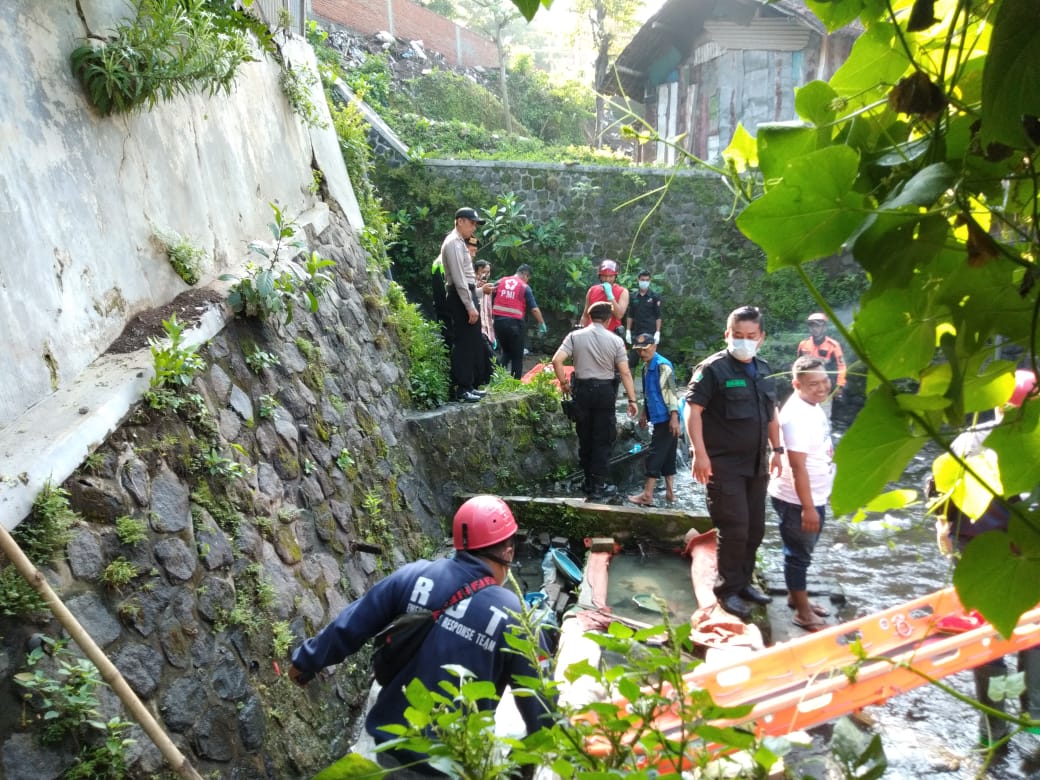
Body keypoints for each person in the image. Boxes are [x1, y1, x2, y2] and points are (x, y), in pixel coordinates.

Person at [289, 495, 551, 777]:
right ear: (508, 551)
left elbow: (352, 623)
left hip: (388, 746)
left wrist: (306, 661)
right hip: (455, 763)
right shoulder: (516, 617)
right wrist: (520, 770)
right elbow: (542, 714)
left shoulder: (413, 576)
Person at [929, 369, 1040, 746]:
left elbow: (937, 490)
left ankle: (995, 724)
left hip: (977, 555)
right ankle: (1033, 712)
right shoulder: (1033, 444)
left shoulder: (968, 439)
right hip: (1025, 557)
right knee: (1032, 635)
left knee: (986, 640)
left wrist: (945, 529)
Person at [685, 305, 782, 621]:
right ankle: (726, 590)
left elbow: (771, 415)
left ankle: (744, 583)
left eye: (750, 336)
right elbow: (693, 411)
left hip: (757, 463)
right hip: (723, 464)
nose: (744, 341)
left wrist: (778, 449)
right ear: (727, 335)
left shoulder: (765, 370)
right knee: (734, 527)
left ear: (761, 337)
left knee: (755, 529)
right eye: (737, 336)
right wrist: (699, 453)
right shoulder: (713, 369)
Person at [767, 356, 835, 632]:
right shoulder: (796, 415)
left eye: (825, 381)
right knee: (798, 555)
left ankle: (798, 598)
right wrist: (807, 507)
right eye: (813, 384)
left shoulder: (813, 406)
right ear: (796, 384)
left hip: (813, 495)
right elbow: (796, 466)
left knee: (801, 552)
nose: (822, 388)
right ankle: (802, 612)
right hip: (798, 500)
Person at [552, 301, 638, 499]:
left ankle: (587, 482)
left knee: (585, 436)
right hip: (605, 392)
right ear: (608, 320)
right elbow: (624, 372)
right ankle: (598, 485)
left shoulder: (574, 336)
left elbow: (557, 360)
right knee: (602, 438)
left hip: (581, 391)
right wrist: (632, 400)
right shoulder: (616, 341)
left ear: (590, 317)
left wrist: (564, 383)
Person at [627, 333, 681, 506]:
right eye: (639, 350)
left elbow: (671, 393)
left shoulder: (662, 366)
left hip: (666, 417)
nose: (642, 353)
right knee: (668, 454)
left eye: (645, 349)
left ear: (654, 347)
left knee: (655, 454)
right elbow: (649, 394)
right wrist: (644, 414)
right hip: (657, 416)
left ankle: (647, 494)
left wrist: (674, 417)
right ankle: (670, 494)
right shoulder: (645, 367)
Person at [442, 207, 488, 403]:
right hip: (460, 296)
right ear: (460, 221)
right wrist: (470, 306)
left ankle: (468, 385)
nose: (474, 227)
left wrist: (477, 294)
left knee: (471, 342)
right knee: (463, 342)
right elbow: (459, 280)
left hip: (466, 294)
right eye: (472, 222)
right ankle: (461, 388)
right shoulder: (453, 243)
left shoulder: (460, 243)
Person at [492, 263, 547, 379]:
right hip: (514, 325)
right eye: (528, 278)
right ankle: (515, 383)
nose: (527, 281)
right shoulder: (524, 287)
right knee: (517, 356)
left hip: (498, 323)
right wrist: (542, 323)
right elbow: (534, 309)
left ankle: (497, 379)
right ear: (525, 275)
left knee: (506, 352)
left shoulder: (500, 281)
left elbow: (489, 296)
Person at [796, 313, 847, 412]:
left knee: (824, 415)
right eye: (811, 325)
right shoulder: (804, 344)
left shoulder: (833, 346)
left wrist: (839, 386)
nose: (814, 329)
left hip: (823, 388)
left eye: (817, 326)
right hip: (806, 387)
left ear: (824, 328)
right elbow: (797, 366)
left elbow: (841, 367)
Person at [625, 269, 663, 374]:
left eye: (647, 280)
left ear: (650, 280)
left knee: (650, 361)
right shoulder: (633, 296)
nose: (644, 282)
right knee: (632, 360)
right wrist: (628, 331)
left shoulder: (654, 297)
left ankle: (649, 386)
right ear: (638, 280)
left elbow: (658, 316)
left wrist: (658, 332)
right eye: (642, 280)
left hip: (650, 333)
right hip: (636, 333)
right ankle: (630, 388)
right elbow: (630, 315)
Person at [581, 259, 628, 337]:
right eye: (604, 276)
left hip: (611, 338)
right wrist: (581, 333)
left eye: (611, 276)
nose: (607, 279)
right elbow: (585, 316)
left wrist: (610, 296)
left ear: (615, 276)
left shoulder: (623, 292)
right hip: (592, 336)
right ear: (600, 276)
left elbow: (619, 315)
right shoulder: (592, 290)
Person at [473, 255, 496, 387]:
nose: (486, 275)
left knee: (484, 358)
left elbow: (488, 312)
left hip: (486, 330)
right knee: (489, 357)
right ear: (477, 272)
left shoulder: (488, 287)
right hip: (477, 328)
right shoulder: (473, 285)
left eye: (488, 272)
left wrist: (492, 333)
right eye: (484, 272)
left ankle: (484, 382)